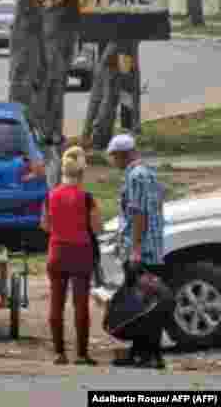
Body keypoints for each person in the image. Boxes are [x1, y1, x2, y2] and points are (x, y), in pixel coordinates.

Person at [106, 133, 168, 369]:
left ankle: (150, 354)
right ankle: (140, 352)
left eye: (114, 157)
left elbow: (139, 213)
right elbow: (158, 206)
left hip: (142, 250)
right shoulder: (150, 173)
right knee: (146, 302)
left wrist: (136, 249)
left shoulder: (135, 176)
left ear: (123, 154)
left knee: (143, 304)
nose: (113, 162)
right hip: (153, 245)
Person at [40, 146, 102, 365]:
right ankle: (82, 354)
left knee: (56, 303)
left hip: (57, 252)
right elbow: (97, 227)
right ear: (81, 174)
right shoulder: (87, 198)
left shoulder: (51, 196)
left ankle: (59, 352)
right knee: (80, 304)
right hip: (80, 253)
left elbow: (45, 225)